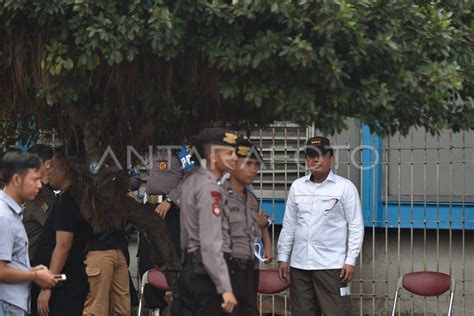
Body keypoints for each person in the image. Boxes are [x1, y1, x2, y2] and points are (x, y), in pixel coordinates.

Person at [277, 136, 364, 316]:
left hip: (332, 266)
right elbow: (289, 224)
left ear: (331, 158)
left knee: (338, 312)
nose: (315, 159)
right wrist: (283, 256)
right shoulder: (297, 187)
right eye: (310, 155)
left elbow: (356, 226)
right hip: (300, 265)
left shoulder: (345, 188)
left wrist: (350, 260)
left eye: (320, 154)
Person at [171, 128, 238, 316]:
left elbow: (185, 236)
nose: (234, 158)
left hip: (190, 268)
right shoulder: (211, 190)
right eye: (229, 153)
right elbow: (210, 244)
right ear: (214, 157)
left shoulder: (191, 182)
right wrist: (225, 288)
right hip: (206, 275)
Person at [34, 148, 91, 316]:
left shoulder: (68, 201)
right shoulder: (70, 197)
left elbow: (63, 246)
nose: (49, 171)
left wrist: (48, 286)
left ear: (65, 170)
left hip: (64, 286)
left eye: (53, 166)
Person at [0, 152, 57, 315]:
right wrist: (35, 275)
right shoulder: (4, 217)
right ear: (17, 180)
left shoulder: (12, 213)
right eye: (35, 179)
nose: (40, 185)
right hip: (7, 303)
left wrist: (32, 270)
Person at [138, 145, 193, 313]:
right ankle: (154, 307)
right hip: (150, 207)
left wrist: (170, 200)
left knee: (174, 258)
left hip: (172, 211)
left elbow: (191, 175)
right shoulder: (150, 147)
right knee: (147, 258)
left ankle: (181, 306)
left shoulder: (181, 149)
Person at [221, 139, 272, 316]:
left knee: (249, 310)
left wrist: (267, 243)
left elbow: (259, 221)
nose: (254, 170)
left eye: (256, 165)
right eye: (248, 163)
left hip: (249, 266)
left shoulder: (250, 195)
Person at [23, 144, 56, 263]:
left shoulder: (43, 195)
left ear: (47, 164)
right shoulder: (37, 192)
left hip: (34, 263)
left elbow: (53, 227)